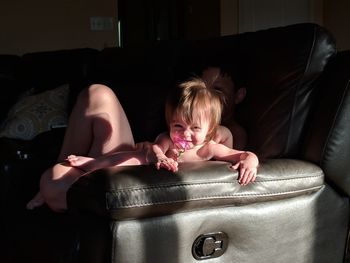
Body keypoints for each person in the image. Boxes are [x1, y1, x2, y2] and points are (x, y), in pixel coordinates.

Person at [26, 68, 254, 211]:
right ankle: (74, 170)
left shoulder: (227, 134)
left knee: (54, 183)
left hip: (137, 174)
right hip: (131, 158)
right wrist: (154, 148)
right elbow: (149, 149)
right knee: (94, 93)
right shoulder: (173, 129)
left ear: (239, 95)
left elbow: (231, 163)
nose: (205, 95)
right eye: (201, 86)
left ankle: (67, 183)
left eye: (216, 90)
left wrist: (229, 145)